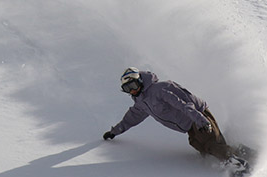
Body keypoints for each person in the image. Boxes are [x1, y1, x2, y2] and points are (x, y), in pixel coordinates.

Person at [102, 67, 241, 165]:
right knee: (200, 146)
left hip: (197, 117)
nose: (132, 90)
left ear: (139, 80)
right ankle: (241, 152)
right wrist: (115, 132)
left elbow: (184, 104)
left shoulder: (160, 89)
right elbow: (132, 117)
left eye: (132, 85)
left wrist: (201, 120)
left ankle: (238, 165)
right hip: (188, 126)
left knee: (211, 145)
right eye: (127, 89)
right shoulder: (141, 102)